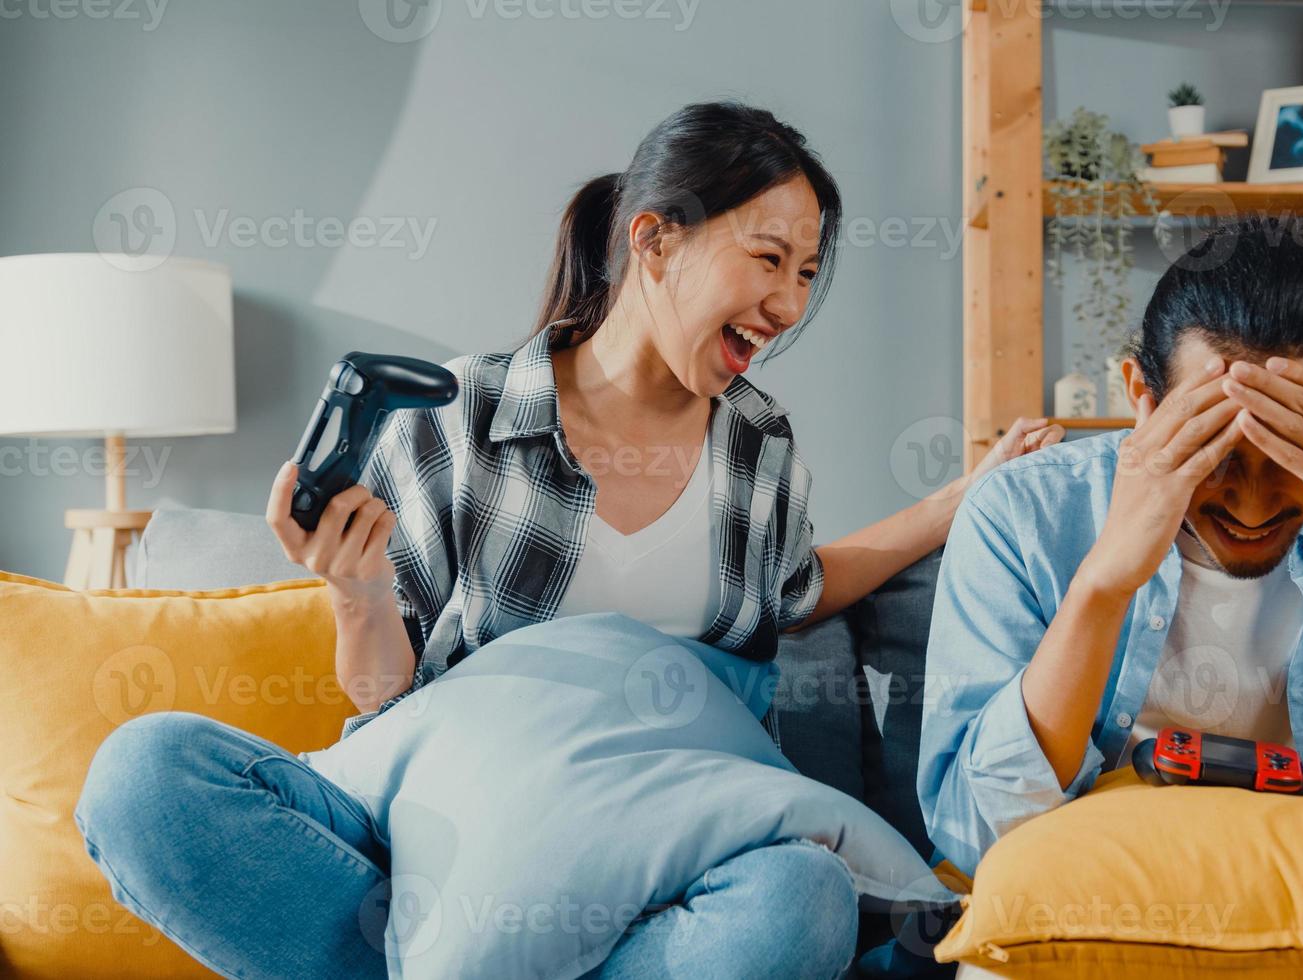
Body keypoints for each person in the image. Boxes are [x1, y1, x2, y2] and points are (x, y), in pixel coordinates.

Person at [74, 101, 1062, 980]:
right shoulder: (456, 415)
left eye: (805, 273)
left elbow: (798, 589)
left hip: (671, 855)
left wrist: (963, 496)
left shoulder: (757, 440)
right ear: (655, 241)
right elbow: (384, 696)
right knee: (143, 774)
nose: (790, 303)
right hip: (434, 836)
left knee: (799, 896)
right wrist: (358, 591)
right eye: (767, 259)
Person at [918, 216, 1303, 877]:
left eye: (1293, 447)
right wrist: (1104, 582)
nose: (1251, 505)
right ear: (1143, 396)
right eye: (1216, 448)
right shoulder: (1022, 513)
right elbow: (978, 828)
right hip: (1082, 882)